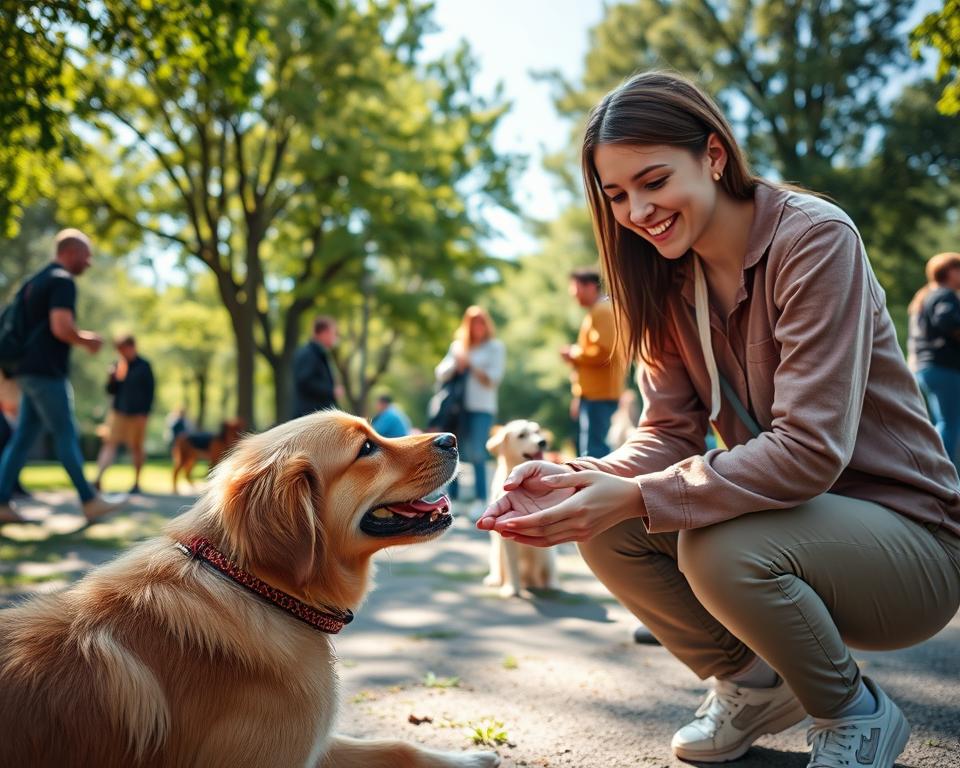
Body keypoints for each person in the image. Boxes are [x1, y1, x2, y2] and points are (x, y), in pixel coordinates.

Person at [477, 71, 960, 768]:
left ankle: (854, 714)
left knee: (710, 542)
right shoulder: (667, 282)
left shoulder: (814, 240)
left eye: (653, 181)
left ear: (713, 155)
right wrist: (582, 478)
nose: (638, 211)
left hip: (912, 549)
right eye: (617, 196)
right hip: (795, 528)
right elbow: (667, 432)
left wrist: (642, 494)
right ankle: (753, 684)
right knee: (604, 524)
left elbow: (809, 450)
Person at [0, 229, 125, 524]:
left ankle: (2, 502)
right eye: (86, 255)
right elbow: (60, 326)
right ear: (69, 252)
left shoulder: (34, 281)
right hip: (46, 372)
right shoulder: (62, 281)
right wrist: (87, 340)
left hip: (25, 370)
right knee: (66, 432)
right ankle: (89, 499)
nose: (89, 262)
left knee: (23, 437)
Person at [435, 306, 505, 519]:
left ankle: (481, 499)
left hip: (481, 408)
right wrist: (457, 361)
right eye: (473, 322)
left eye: (481, 322)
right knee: (453, 452)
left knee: (477, 452)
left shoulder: (495, 347)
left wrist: (471, 365)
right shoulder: (458, 347)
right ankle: (453, 500)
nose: (477, 327)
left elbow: (494, 378)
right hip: (457, 409)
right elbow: (440, 373)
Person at [562, 267, 628, 457]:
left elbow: (606, 352)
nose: (573, 295)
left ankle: (600, 487)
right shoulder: (599, 311)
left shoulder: (602, 311)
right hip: (594, 393)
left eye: (576, 289)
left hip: (600, 394)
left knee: (594, 452)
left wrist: (574, 353)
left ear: (590, 286)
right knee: (592, 448)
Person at [908, 252, 960, 471]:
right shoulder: (946, 296)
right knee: (950, 423)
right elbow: (946, 319)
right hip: (944, 367)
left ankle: (936, 471)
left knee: (943, 421)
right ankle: (942, 474)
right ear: (950, 272)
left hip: (927, 368)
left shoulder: (926, 296)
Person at [93, 335, 155, 494]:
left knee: (136, 448)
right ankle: (98, 479)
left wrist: (145, 413)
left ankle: (136, 482)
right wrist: (111, 379)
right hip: (119, 412)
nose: (121, 353)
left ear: (131, 347)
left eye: (123, 349)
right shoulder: (117, 365)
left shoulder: (144, 366)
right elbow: (110, 391)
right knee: (110, 444)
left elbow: (150, 392)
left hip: (138, 415)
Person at [292, 315, 342, 418]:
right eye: (333, 333)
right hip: (310, 416)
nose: (335, 337)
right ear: (324, 333)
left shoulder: (318, 354)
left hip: (315, 414)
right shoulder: (309, 354)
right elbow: (304, 382)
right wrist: (331, 391)